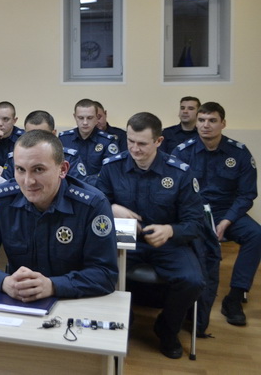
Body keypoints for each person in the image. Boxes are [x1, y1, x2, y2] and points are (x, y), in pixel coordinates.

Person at [97, 112, 204, 359]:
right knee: (100, 269)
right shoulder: (112, 167)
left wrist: (171, 230)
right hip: (125, 238)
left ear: (158, 141)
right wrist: (110, 208)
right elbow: (96, 206)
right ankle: (123, 321)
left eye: (142, 143)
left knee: (193, 281)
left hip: (167, 240)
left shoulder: (179, 172)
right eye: (130, 141)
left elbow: (195, 224)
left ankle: (167, 329)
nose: (134, 148)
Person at [0, 130, 118, 300]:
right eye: (20, 169)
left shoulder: (93, 204)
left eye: (38, 169)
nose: (28, 181)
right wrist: (4, 282)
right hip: (18, 299)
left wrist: (53, 286)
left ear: (63, 169)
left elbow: (105, 274)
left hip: (73, 301)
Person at [175, 101, 259, 327]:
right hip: (194, 213)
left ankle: (235, 297)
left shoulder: (239, 152)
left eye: (212, 120)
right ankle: (191, 298)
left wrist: (226, 221)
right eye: (202, 120)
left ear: (223, 123)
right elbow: (174, 193)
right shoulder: (183, 152)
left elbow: (247, 194)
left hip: (227, 212)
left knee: (256, 235)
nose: (206, 125)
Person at [0, 110, 91, 184]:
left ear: (53, 134)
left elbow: (79, 188)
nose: (35, 140)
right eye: (30, 135)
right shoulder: (14, 158)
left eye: (42, 135)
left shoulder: (69, 158)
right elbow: (6, 189)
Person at [59, 98, 119, 177]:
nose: (85, 122)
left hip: (97, 184)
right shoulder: (64, 139)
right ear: (75, 117)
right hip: (70, 183)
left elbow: (111, 172)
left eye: (90, 118)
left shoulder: (108, 141)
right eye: (81, 118)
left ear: (97, 118)